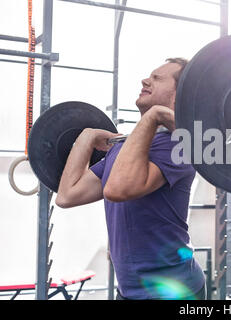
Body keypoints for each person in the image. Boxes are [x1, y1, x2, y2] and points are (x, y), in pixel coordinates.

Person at [55, 58, 206, 300]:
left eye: (157, 78)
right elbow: (67, 195)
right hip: (129, 290)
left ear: (180, 95)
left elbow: (117, 190)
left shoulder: (178, 146)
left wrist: (153, 116)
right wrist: (86, 137)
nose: (145, 80)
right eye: (150, 76)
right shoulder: (123, 149)